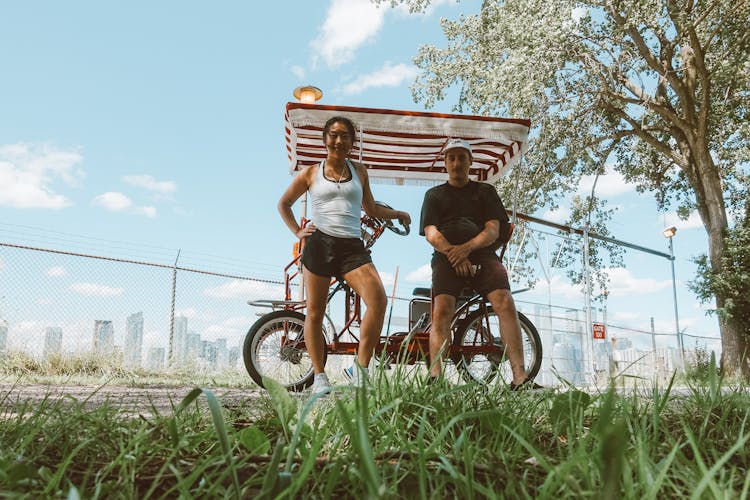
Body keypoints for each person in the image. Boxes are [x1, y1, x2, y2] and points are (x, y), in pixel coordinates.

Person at [278, 115, 411, 395]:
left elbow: (371, 208)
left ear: (352, 142)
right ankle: (320, 377)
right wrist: (297, 232)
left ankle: (359, 370)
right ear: (325, 139)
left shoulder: (360, 171)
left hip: (351, 246)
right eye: (334, 135)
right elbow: (284, 204)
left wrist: (397, 213)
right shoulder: (310, 173)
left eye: (345, 136)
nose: (339, 141)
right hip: (320, 244)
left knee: (378, 299)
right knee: (314, 313)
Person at [419, 138, 532, 389]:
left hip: (482, 254)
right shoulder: (433, 195)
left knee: (504, 301)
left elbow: (493, 230)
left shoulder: (485, 191)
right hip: (446, 256)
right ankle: (436, 378)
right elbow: (431, 233)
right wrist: (453, 253)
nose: (456, 163)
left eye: (461, 157)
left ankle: (520, 377)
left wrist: (466, 250)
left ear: (471, 161)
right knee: (442, 308)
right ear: (445, 163)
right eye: (451, 158)